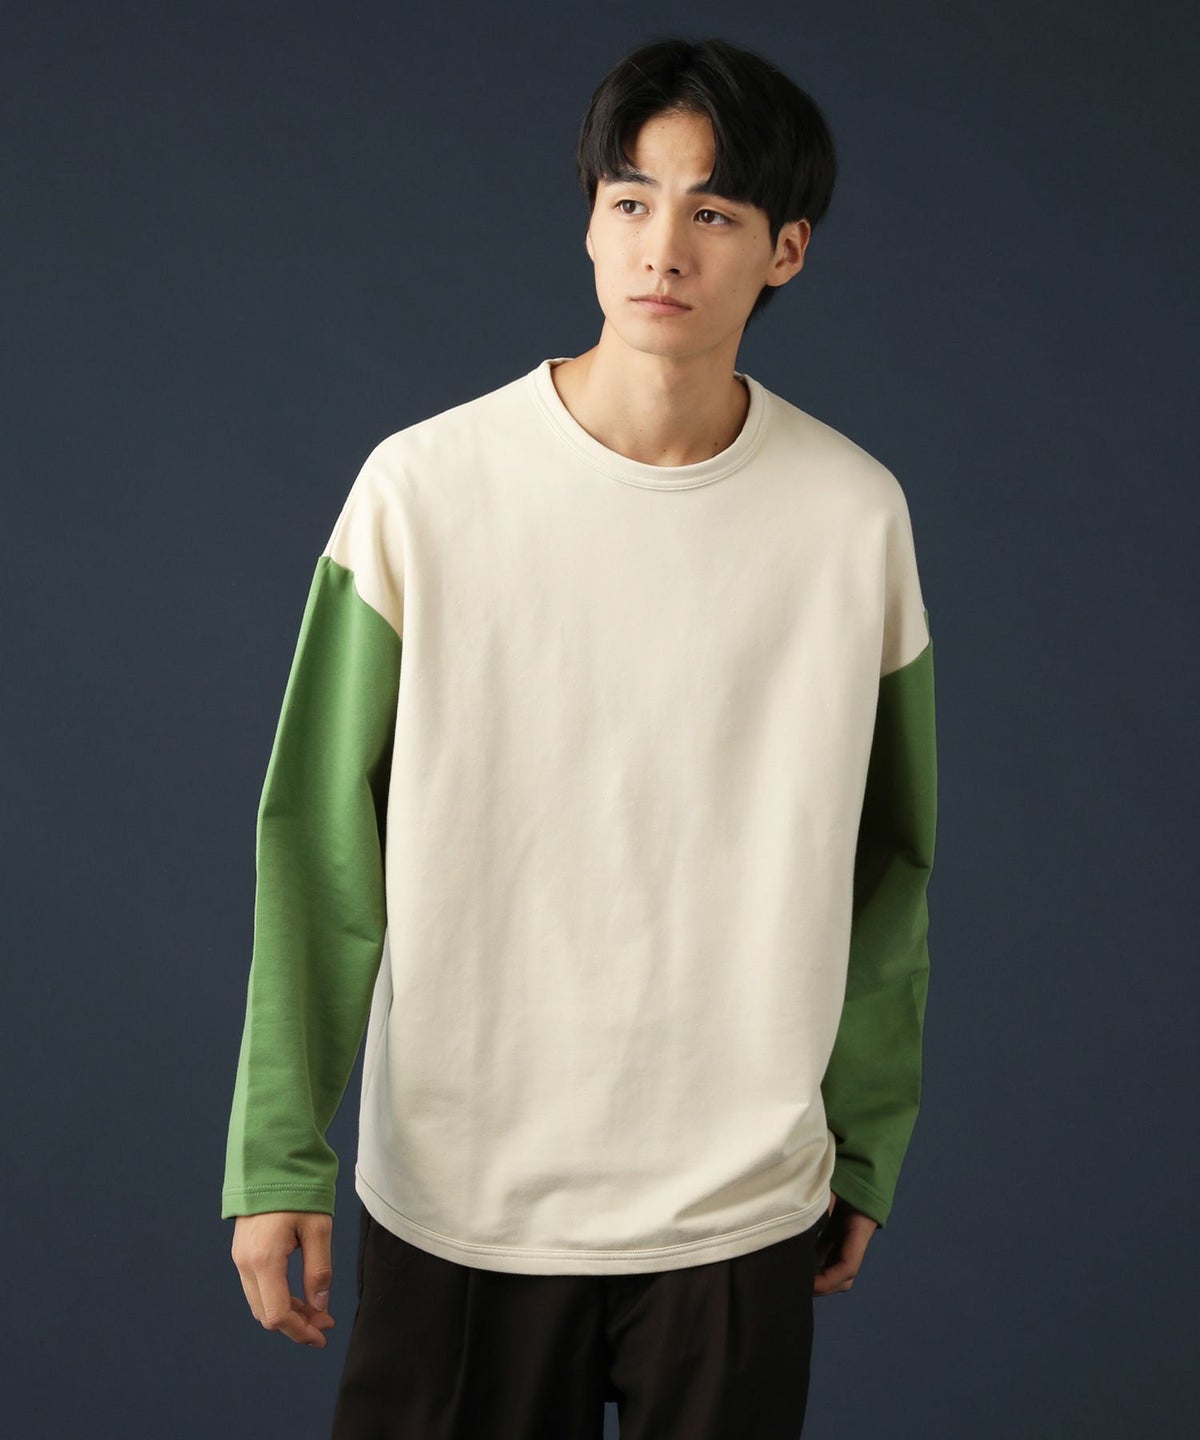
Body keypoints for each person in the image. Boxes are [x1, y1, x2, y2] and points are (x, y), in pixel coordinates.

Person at [222, 33, 937, 1440]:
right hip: (464, 1190)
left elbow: (890, 856)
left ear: (786, 251)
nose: (662, 247)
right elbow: (316, 840)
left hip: (737, 1198)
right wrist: (277, 1151)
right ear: (592, 223)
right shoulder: (424, 488)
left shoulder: (853, 518)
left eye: (713, 211)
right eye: (631, 200)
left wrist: (865, 1140)